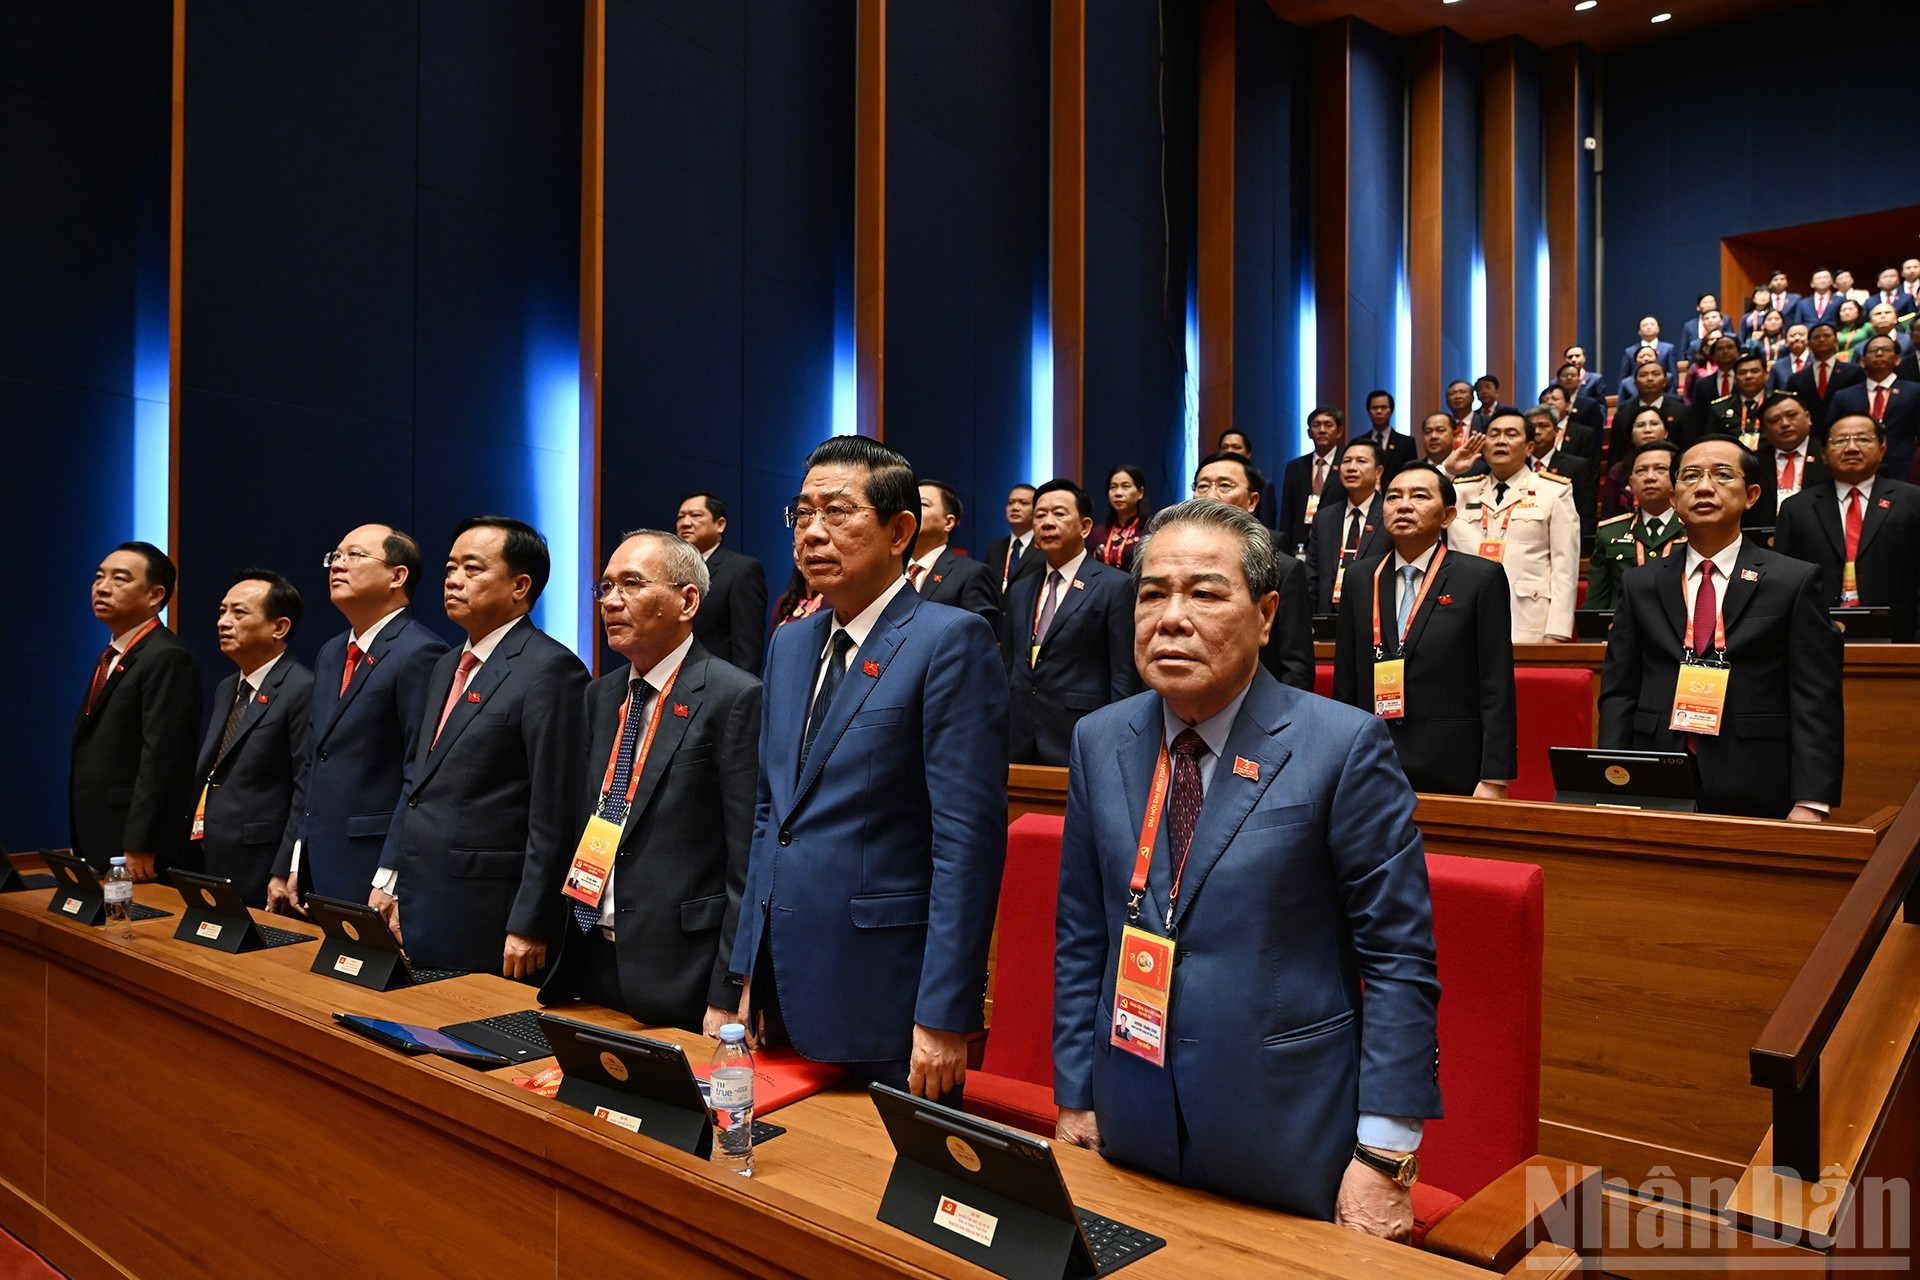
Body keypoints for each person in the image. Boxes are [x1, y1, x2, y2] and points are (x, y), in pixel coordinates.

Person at [1052, 498, 1441, 1233]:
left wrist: (1386, 1155)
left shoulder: (1341, 745)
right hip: (1129, 1117)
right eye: (1151, 594)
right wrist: (1074, 1093)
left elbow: (1397, 960)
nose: (1171, 617)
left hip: (1285, 1131)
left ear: (1265, 615)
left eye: (1203, 592)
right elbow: (1081, 934)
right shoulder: (1099, 740)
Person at [732, 435, 1007, 1103]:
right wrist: (741, 974)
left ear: (900, 530)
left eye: (837, 511)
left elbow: (965, 843)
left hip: (885, 993)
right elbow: (773, 814)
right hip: (783, 986)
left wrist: (944, 1013)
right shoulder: (791, 642)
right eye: (801, 514)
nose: (813, 532)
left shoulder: (950, 640)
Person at [539, 530, 761, 1032]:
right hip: (591, 952)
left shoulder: (734, 696)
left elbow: (747, 861)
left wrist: (728, 990)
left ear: (687, 601)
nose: (611, 601)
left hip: (682, 968)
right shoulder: (601, 695)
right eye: (605, 587)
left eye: (632, 584)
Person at [374, 516, 590, 977]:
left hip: (489, 911)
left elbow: (554, 811)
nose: (453, 580)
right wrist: (389, 877)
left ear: (520, 585)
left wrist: (531, 921)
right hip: (423, 895)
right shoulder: (446, 663)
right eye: (451, 568)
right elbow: (418, 782)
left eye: (472, 569)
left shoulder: (551, 670)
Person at [1598, 439, 1842, 820]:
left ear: (1751, 495)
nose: (1704, 487)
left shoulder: (1793, 581)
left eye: (1723, 475)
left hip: (1757, 778)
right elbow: (1619, 692)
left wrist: (1812, 800)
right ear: (1675, 497)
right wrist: (1612, 781)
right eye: (1690, 477)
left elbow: (1815, 697)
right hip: (1655, 776)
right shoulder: (1639, 583)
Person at [269, 525, 447, 914]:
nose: (337, 565)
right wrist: (298, 856)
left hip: (373, 867)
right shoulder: (332, 652)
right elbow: (315, 763)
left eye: (354, 556)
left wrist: (391, 873)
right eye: (335, 556)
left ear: (397, 576)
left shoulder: (420, 652)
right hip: (319, 861)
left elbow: (418, 774)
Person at [1332, 464, 1515, 797]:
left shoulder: (1479, 578)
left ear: (1447, 516)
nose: (1403, 505)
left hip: (1453, 762)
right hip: (1371, 761)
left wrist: (1494, 776)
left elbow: (1496, 683)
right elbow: (1346, 681)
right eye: (1393, 497)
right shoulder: (1360, 578)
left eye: (1419, 496)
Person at [71, 542, 202, 879]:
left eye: (120, 579)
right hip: (99, 833)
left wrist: (142, 842)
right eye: (99, 577)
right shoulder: (113, 654)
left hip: (133, 844)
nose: (102, 586)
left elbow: (162, 758)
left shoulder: (166, 656)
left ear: (155, 595)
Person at [191, 571, 313, 907]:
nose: (223, 622)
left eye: (239, 613)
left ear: (279, 627)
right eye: (221, 611)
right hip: (209, 848)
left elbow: (306, 786)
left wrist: (284, 866)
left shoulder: (301, 688)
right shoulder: (227, 687)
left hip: (261, 860)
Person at [1006, 480, 1141, 766]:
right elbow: (1009, 665)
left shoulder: (1114, 586)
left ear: (1085, 526)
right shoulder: (1021, 588)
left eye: (1059, 513)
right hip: (1019, 737)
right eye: (1040, 515)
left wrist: (1120, 740)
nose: (1047, 522)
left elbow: (1123, 674)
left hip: (1082, 735)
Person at [1775, 416, 1920, 643]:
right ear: (1823, 453)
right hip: (1815, 638)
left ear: (1882, 449)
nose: (1852, 448)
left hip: (1900, 636)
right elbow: (1783, 584)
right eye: (1840, 441)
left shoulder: (1912, 500)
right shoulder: (1797, 508)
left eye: (1863, 439)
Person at [1448, 413, 1581, 643]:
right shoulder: (1459, 491)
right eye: (1494, 434)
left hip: (1528, 622)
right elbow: (1416, 501)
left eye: (1511, 434)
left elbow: (1564, 567)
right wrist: (1448, 470)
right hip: (1464, 620)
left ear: (1529, 447)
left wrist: (1557, 632)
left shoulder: (1554, 492)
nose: (1501, 441)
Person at [1192, 451, 1314, 689]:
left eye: (1224, 485)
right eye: (1202, 486)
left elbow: (1297, 667)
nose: (1210, 495)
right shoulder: (1175, 565)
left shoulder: (1284, 570)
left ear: (1252, 502)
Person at [674, 492, 768, 674]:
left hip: (718, 684)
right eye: (680, 517)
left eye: (695, 515)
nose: (685, 523)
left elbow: (748, 649)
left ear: (720, 524)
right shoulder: (672, 572)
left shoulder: (742, 569)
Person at [1587, 441, 1687, 611]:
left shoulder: (1696, 529)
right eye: (1641, 470)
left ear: (1678, 478)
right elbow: (1596, 601)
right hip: (1623, 630)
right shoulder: (1609, 532)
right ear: (1631, 482)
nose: (1650, 477)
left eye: (1660, 469)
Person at [1304, 439, 1389, 614]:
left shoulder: (1390, 516)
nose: (1351, 467)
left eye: (1361, 461)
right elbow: (1312, 576)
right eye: (1346, 461)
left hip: (1374, 617)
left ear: (1378, 472)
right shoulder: (1324, 518)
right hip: (1327, 617)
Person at [907, 480, 1002, 634]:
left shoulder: (971, 573)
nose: (911, 510)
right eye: (909, 504)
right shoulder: (889, 570)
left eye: (923, 504)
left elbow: (978, 639)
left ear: (949, 522)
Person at [1827, 334, 1920, 480]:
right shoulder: (1844, 396)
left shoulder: (1915, 392)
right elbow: (1830, 435)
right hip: (1855, 469)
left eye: (1885, 349)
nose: (1879, 353)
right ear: (1862, 362)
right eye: (1873, 350)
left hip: (1904, 470)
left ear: (1897, 359)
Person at [1747, 392, 1828, 528]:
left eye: (1792, 416)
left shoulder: (1828, 455)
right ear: (1764, 429)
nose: (1785, 423)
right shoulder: (1753, 463)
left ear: (1808, 417)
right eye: (1774, 420)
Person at [1278, 407, 1344, 554]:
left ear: (1339, 431)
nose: (1321, 430)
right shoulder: (1295, 466)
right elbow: (1287, 510)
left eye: (1328, 425)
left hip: (1335, 539)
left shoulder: (1347, 463)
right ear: (1309, 433)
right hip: (1300, 542)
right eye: (1316, 425)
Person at [1787, 322, 1866, 434]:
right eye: (1816, 337)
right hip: (1810, 435)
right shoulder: (1796, 379)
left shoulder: (1854, 372)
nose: (1822, 339)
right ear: (1809, 344)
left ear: (1836, 342)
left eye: (1827, 336)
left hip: (1847, 431)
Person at [1611, 360, 1698, 456]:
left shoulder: (1682, 412)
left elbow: (1689, 449)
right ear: (1635, 383)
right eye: (1643, 375)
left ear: (1665, 382)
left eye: (1655, 374)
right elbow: (1616, 454)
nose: (1649, 378)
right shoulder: (1622, 415)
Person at [1600, 407, 1674, 520]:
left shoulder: (1680, 463)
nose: (1647, 430)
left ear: (1666, 432)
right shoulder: (1618, 471)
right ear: (1631, 436)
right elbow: (1609, 514)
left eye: (1654, 424)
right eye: (1640, 425)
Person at [1703, 351, 1772, 447]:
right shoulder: (1719, 408)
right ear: (1735, 378)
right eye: (1742, 373)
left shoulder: (1778, 403)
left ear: (1766, 375)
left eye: (1754, 371)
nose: (1748, 376)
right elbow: (1712, 444)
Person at [983, 483, 1041, 597]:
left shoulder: (1044, 547)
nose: (1015, 508)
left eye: (1023, 503)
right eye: (1011, 503)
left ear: (1037, 510)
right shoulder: (995, 548)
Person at [1090, 465, 1151, 572]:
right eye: (1113, 487)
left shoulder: (1150, 530)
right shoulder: (1097, 533)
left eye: (1125, 486)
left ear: (1140, 492)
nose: (1118, 493)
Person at [1216, 428, 1279, 527]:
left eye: (1236, 447)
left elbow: (1267, 526)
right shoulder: (1210, 477)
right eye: (1224, 447)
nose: (1229, 451)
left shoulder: (1262, 483)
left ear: (1248, 453)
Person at [1357, 389, 1416, 478]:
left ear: (1391, 411)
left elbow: (1412, 473)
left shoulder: (1406, 443)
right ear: (1369, 412)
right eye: (1374, 408)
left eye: (1383, 407)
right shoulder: (1360, 443)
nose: (1379, 411)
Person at [1618, 316, 1677, 388]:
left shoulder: (1668, 348)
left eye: (1652, 324)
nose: (1649, 327)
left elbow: (1673, 373)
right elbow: (1624, 377)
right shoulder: (1630, 351)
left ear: (1658, 329)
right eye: (1645, 325)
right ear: (1639, 331)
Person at [1768, 323, 1812, 391]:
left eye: (1801, 335)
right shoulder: (1777, 367)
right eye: (1792, 335)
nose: (1797, 338)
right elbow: (1770, 392)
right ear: (1786, 341)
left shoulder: (1816, 362)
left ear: (1809, 339)